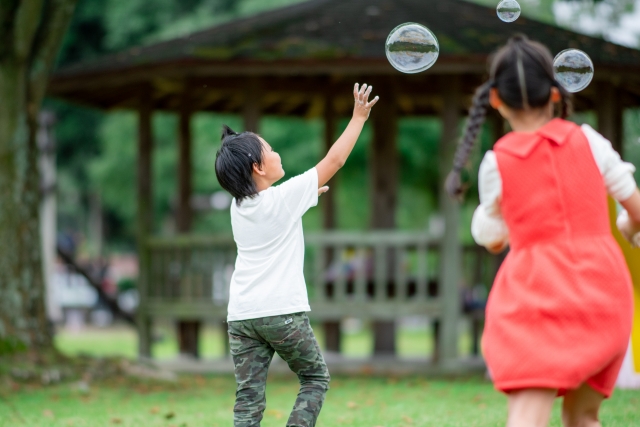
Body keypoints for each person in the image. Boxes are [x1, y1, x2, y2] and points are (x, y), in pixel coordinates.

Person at [446, 35, 640, 427]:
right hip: (603, 292)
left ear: (496, 100)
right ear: (554, 94)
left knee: (527, 417)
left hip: (537, 295)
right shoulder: (589, 140)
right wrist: (627, 225)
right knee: (584, 418)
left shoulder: (496, 162)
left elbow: (494, 238)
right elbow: (635, 210)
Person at [215, 83, 378, 427]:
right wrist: (358, 117)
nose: (277, 154)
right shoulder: (283, 199)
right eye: (270, 150)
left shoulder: (237, 206)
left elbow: (271, 207)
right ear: (258, 167)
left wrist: (304, 195)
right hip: (281, 312)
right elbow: (336, 160)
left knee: (248, 398)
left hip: (241, 314)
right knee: (315, 378)